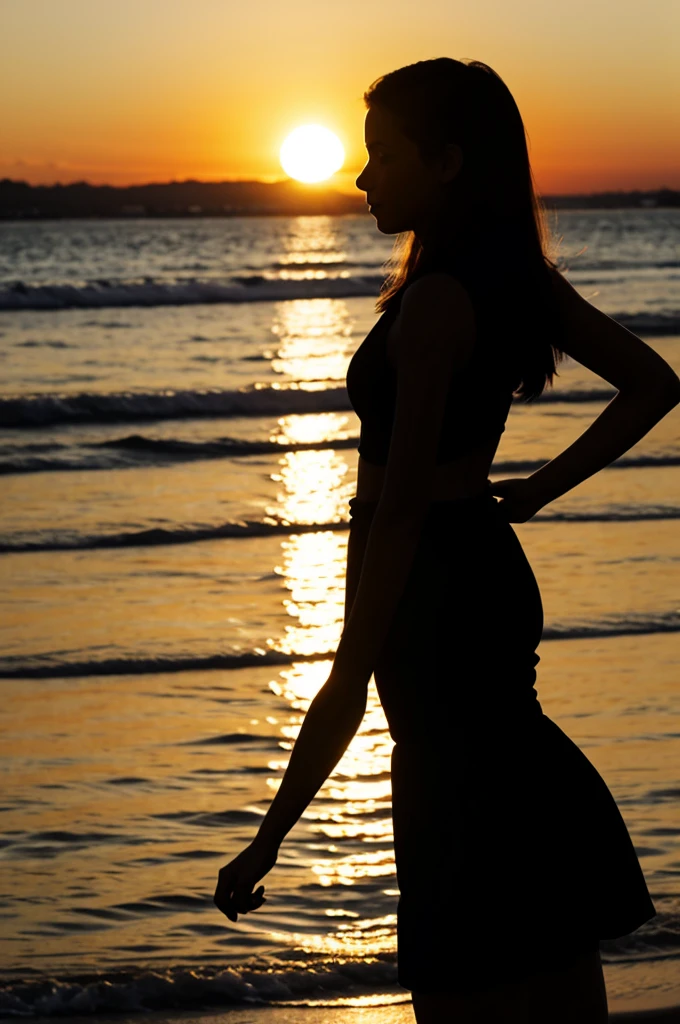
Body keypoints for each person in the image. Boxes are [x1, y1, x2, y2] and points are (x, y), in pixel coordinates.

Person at [214, 58, 679, 1023]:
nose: (362, 177)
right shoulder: (512, 281)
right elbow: (650, 382)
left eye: (383, 155)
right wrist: (539, 492)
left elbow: (397, 516)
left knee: (467, 930)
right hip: (478, 563)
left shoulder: (433, 306)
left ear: (450, 162)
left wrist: (269, 840)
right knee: (528, 914)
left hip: (431, 571)